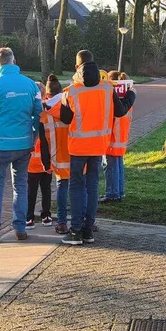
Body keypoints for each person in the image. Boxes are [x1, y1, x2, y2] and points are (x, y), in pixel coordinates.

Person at [59, 50, 135, 245]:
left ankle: (75, 231)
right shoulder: (107, 88)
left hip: (78, 146)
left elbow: (66, 118)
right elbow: (120, 111)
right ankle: (88, 230)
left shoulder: (71, 91)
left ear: (77, 67)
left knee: (76, 187)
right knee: (92, 186)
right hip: (99, 145)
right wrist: (131, 96)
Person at [0, 47, 42, 243]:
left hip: (0, 145)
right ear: (14, 60)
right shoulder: (30, 86)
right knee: (21, 185)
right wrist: (33, 138)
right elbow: (39, 114)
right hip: (23, 144)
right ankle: (20, 228)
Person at [42, 75, 71, 234]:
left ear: (47, 95)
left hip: (58, 157)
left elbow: (43, 139)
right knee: (80, 189)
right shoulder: (72, 104)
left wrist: (46, 162)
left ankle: (61, 222)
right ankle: (84, 221)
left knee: (61, 188)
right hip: (77, 153)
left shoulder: (45, 111)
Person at [26, 82, 55, 229]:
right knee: (46, 189)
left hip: (31, 160)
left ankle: (29, 218)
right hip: (47, 159)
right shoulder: (49, 111)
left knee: (30, 191)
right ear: (45, 95)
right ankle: (46, 216)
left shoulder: (28, 111)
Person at [101, 71, 132, 202]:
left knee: (110, 165)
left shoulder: (114, 98)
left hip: (111, 136)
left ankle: (112, 194)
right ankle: (120, 191)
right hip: (121, 136)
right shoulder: (126, 96)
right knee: (118, 164)